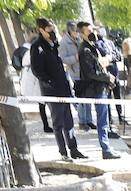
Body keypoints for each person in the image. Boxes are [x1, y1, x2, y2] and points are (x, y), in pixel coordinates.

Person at [30, 18, 83, 160]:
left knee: (69, 122)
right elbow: (37, 70)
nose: (52, 32)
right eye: (49, 29)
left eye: (53, 28)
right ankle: (63, 152)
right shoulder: (37, 47)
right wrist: (50, 82)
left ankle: (74, 149)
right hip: (51, 92)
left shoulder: (55, 45)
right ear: (41, 30)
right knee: (58, 123)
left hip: (64, 88)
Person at [74, 21, 119, 159]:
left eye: (92, 29)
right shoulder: (84, 50)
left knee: (104, 119)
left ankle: (106, 148)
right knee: (102, 120)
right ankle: (105, 149)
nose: (92, 32)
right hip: (96, 88)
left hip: (102, 87)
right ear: (81, 34)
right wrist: (108, 77)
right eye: (88, 31)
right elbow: (91, 73)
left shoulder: (94, 46)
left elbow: (110, 57)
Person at [15, 29, 51, 133]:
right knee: (43, 103)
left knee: (43, 103)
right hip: (36, 80)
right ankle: (46, 125)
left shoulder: (29, 51)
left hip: (33, 80)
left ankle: (46, 124)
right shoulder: (34, 51)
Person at [59, 21, 92, 130]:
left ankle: (89, 120)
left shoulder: (79, 39)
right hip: (75, 73)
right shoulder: (63, 43)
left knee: (87, 97)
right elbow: (63, 59)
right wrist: (75, 58)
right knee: (81, 98)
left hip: (84, 72)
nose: (77, 34)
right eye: (74, 32)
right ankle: (82, 121)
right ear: (69, 31)